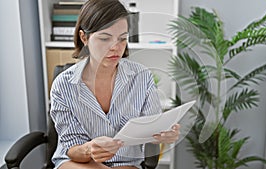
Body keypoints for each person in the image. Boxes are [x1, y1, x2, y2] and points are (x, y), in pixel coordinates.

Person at [49, 0, 180, 169]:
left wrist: (163, 135)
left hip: (125, 163)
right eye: (105, 38)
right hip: (78, 163)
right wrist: (90, 149)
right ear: (84, 38)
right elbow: (71, 149)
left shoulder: (142, 78)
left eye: (122, 39)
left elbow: (151, 130)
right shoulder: (63, 85)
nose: (115, 48)